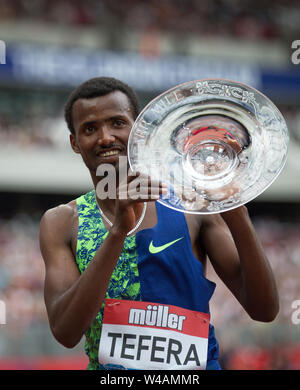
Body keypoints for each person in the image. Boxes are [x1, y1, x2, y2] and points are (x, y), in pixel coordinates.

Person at [39, 77, 279, 370]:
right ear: (75, 143)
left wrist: (235, 209)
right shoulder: (62, 222)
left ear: (139, 129)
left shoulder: (190, 205)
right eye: (90, 128)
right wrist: (117, 234)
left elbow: (264, 309)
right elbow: (65, 332)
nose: (104, 137)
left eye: (117, 123)